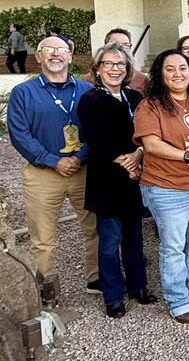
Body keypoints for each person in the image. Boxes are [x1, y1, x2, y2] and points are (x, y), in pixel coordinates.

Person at [134, 49, 189, 323]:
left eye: (183, 68)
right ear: (160, 74)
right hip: (166, 186)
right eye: (170, 69)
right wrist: (188, 156)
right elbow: (150, 144)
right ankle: (177, 301)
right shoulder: (149, 106)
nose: (178, 74)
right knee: (173, 246)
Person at [8, 37, 100, 302]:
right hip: (43, 174)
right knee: (42, 236)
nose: (56, 54)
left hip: (82, 170)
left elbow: (96, 131)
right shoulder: (23, 93)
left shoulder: (86, 90)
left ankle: (95, 278)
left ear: (70, 56)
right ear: (38, 57)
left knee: (93, 228)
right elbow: (19, 134)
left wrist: (79, 156)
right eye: (49, 50)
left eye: (61, 50)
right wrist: (52, 160)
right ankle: (46, 289)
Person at [77, 42, 157, 318]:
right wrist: (127, 162)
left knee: (134, 238)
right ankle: (113, 296)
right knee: (109, 243)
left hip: (133, 181)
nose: (114, 69)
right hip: (106, 181)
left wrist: (138, 155)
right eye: (107, 64)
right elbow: (94, 139)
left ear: (127, 69)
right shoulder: (90, 100)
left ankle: (139, 287)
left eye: (119, 64)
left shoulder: (135, 98)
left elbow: (148, 134)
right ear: (98, 70)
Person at [82, 28, 148, 92]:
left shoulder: (142, 79)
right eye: (115, 44)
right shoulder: (88, 80)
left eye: (126, 45)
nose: (121, 48)